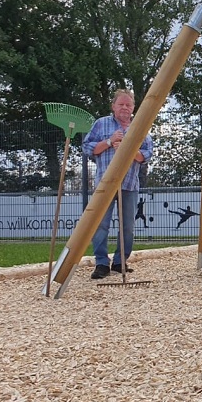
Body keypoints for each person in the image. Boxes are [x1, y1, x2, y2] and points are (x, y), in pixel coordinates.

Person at [82, 89, 154, 279]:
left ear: (133, 107)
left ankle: (120, 261)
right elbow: (88, 148)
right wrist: (109, 141)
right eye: (121, 104)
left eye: (128, 105)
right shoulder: (101, 124)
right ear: (113, 106)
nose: (124, 108)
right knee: (101, 224)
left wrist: (127, 149)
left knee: (128, 226)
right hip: (104, 183)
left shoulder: (140, 127)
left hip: (129, 184)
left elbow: (146, 154)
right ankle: (101, 263)